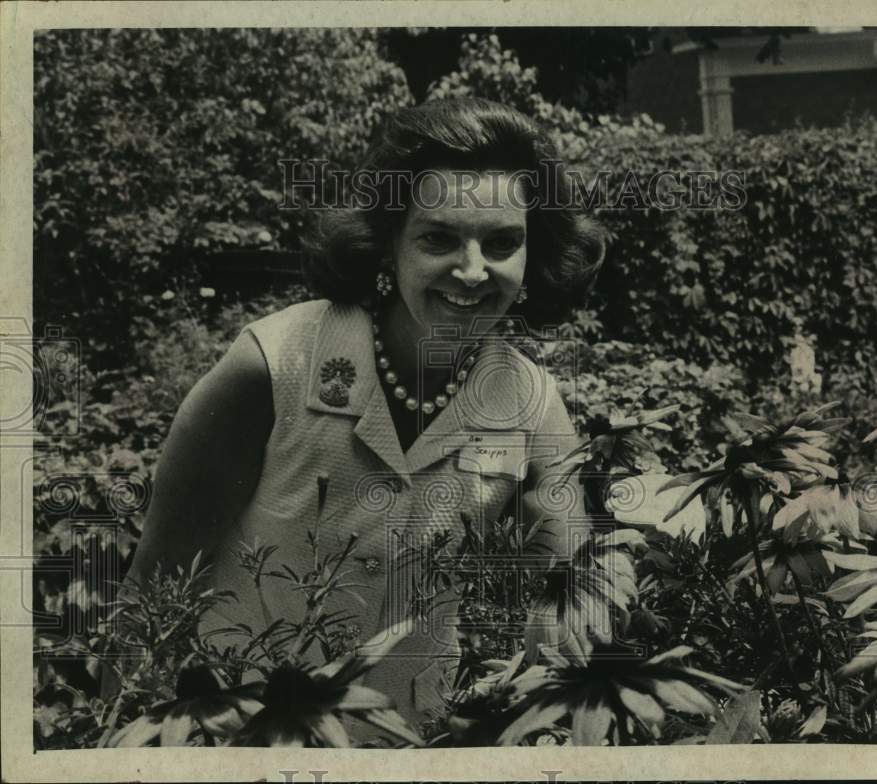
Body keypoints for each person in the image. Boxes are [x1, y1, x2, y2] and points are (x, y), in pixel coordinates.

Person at [127, 97, 606, 739]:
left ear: (533, 252)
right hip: (239, 740)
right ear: (388, 242)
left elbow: (572, 598)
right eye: (438, 238)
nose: (471, 270)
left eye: (501, 242)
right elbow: (151, 591)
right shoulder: (273, 367)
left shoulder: (532, 403)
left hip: (410, 745)